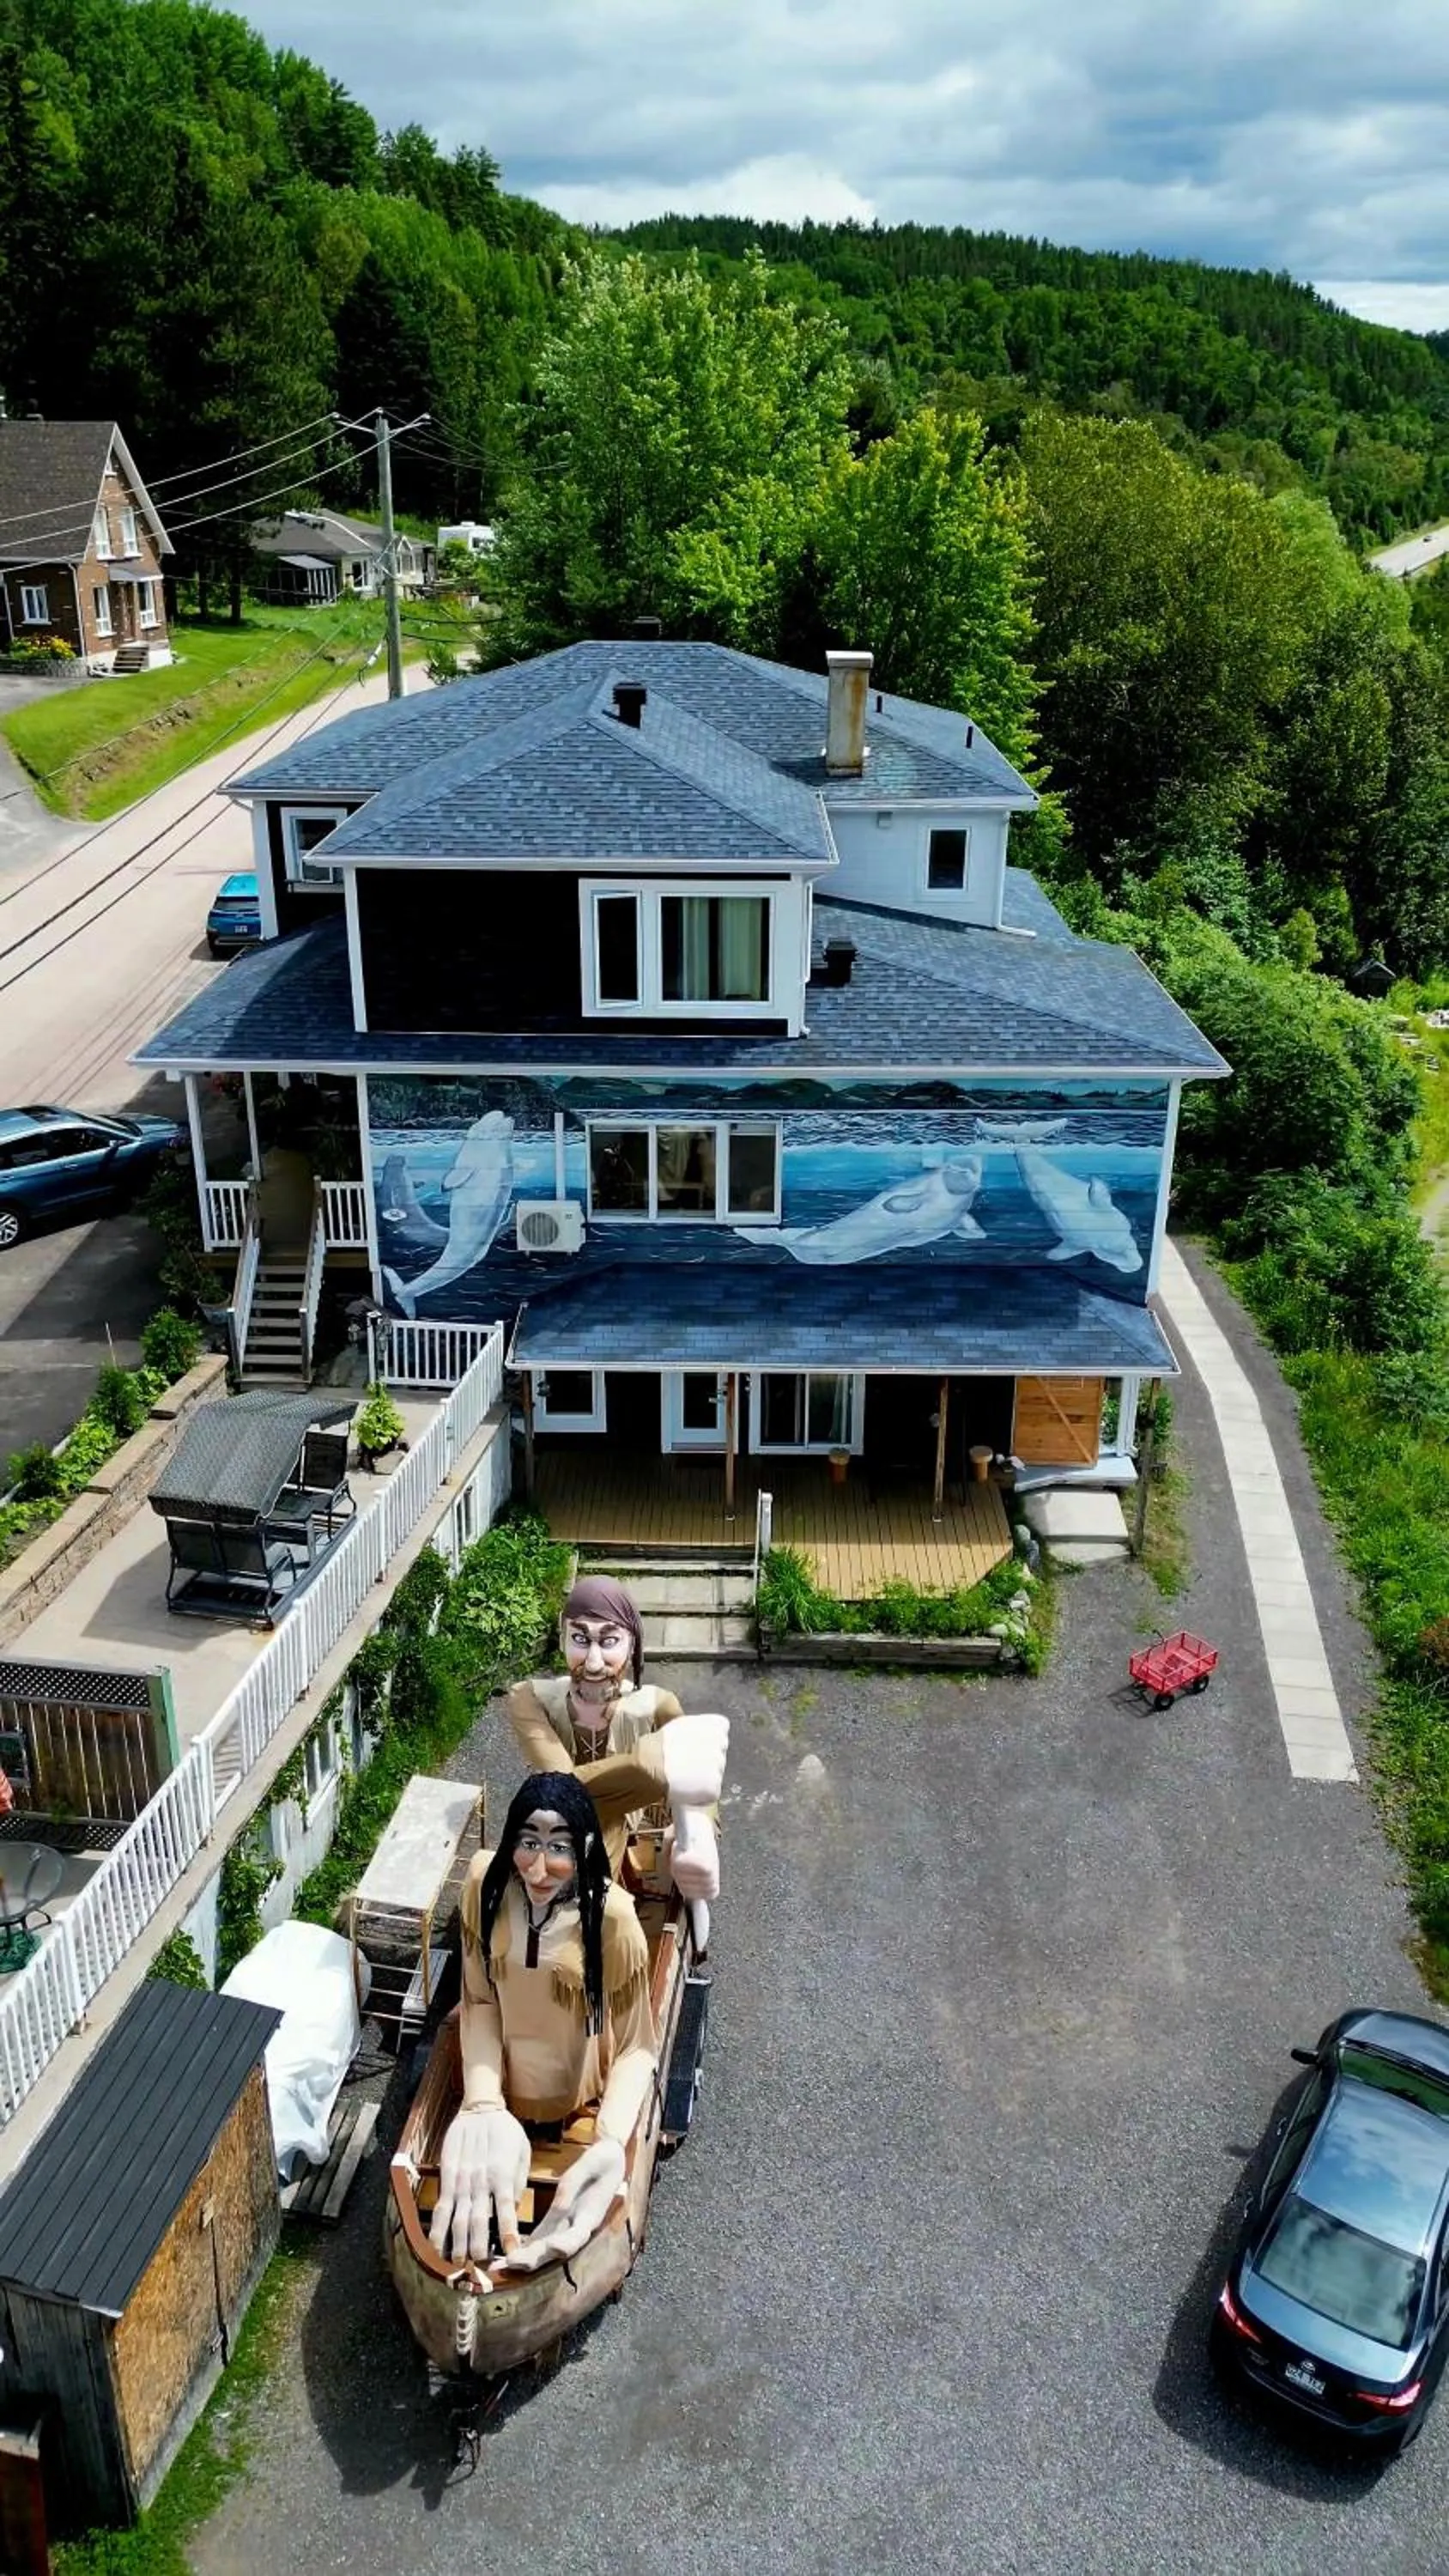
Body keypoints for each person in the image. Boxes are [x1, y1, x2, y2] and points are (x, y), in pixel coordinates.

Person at [429, 1745, 724, 2275]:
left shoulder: (612, 1918)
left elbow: (637, 2046)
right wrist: (480, 2103)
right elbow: (477, 1999)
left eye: (559, 1847)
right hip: (503, 2093)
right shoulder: (484, 1887)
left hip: (581, 2096)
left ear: (585, 1846)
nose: (539, 1869)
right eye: (528, 1843)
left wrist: (611, 2140)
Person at [505, 1575, 719, 1935]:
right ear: (562, 1638)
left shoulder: (656, 1706)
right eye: (579, 1639)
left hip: (618, 1827)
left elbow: (700, 1777)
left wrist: (697, 1835)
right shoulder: (530, 1699)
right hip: (560, 1825)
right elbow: (564, 1789)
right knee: (630, 1781)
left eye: (609, 1641)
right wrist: (645, 1767)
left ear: (632, 1644)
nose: (592, 1663)